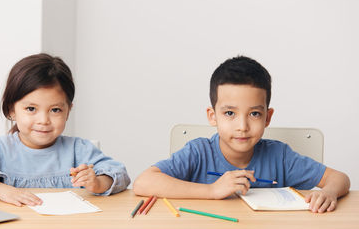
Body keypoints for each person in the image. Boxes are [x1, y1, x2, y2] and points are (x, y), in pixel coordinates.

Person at [133, 55, 350, 213]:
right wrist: (212, 191)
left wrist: (329, 192)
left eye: (254, 113)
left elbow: (339, 178)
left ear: (267, 117)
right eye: (229, 113)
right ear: (212, 116)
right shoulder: (198, 152)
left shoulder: (280, 156)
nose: (242, 126)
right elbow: (143, 182)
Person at [0, 53, 130, 206]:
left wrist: (99, 183)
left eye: (55, 110)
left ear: (68, 110)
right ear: (12, 110)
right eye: (31, 109)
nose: (43, 121)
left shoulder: (79, 150)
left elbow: (120, 173)